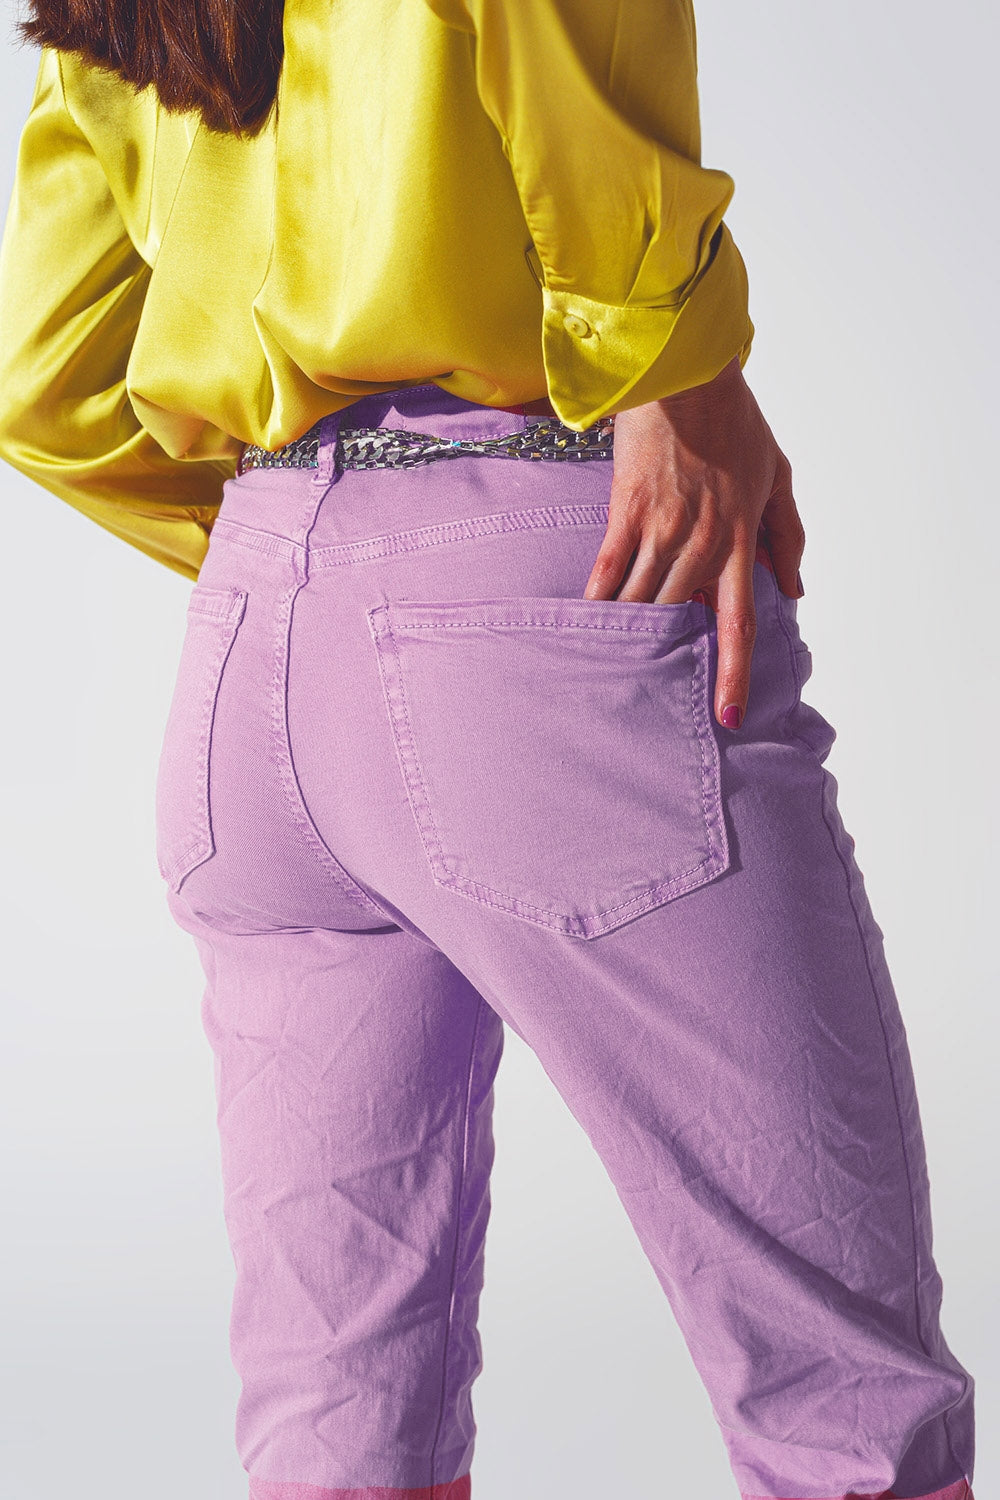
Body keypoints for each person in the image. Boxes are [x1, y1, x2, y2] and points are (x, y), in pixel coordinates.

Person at [0, 2, 976, 1498]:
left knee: (340, 1431)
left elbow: (42, 380)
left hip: (257, 652)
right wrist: (671, 372)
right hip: (559, 589)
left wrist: (316, 552)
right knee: (840, 1404)